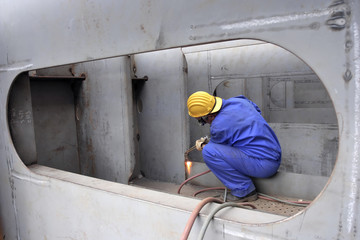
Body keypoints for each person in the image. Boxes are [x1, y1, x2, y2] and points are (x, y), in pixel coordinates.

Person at [187, 91, 281, 202]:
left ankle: (244, 191)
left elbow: (217, 148)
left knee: (208, 152)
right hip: (275, 155)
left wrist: (204, 145)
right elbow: (256, 112)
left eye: (201, 121)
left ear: (209, 116)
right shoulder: (239, 101)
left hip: (264, 165)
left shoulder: (218, 126)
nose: (205, 123)